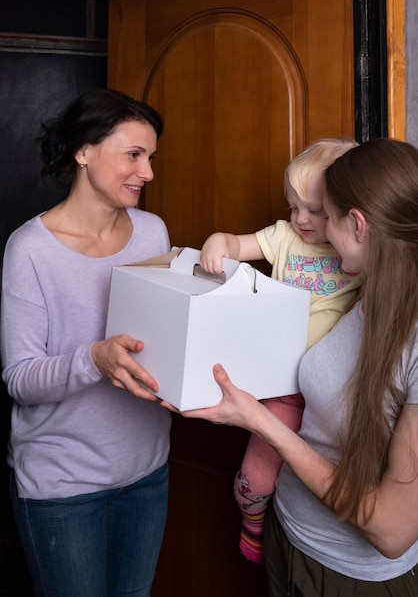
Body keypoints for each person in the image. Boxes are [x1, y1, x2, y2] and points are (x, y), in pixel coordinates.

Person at [162, 137, 418, 596]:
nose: (309, 228)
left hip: (347, 574)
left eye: (324, 215)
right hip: (290, 531)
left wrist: (258, 420)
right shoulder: (371, 291)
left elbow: (394, 532)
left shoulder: (386, 310)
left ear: (357, 224)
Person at [1, 88, 172, 597]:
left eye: (151, 157)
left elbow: (160, 339)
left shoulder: (153, 233)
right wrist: (94, 358)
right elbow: (20, 379)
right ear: (83, 150)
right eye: (134, 155)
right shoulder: (30, 249)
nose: (148, 173)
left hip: (148, 472)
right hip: (63, 488)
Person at [200, 138, 363, 563]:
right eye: (294, 206)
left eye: (315, 210)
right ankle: (251, 514)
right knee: (258, 478)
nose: (301, 219)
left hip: (334, 391)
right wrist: (220, 242)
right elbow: (238, 246)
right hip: (282, 384)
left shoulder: (360, 254)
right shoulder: (286, 237)